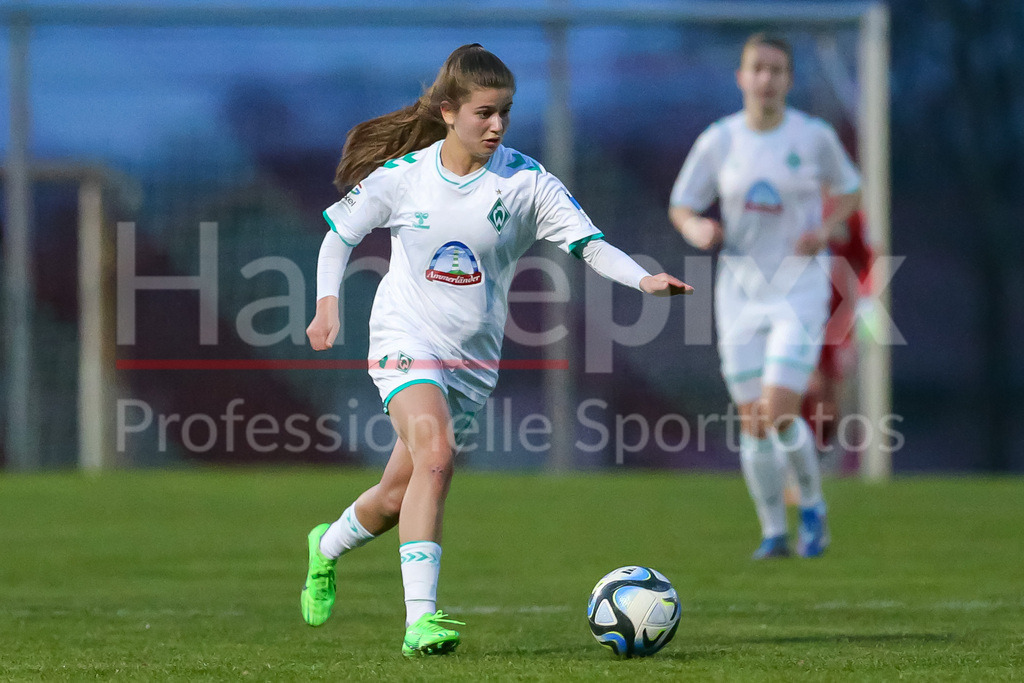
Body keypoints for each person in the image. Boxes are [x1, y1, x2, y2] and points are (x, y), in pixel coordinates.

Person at [303, 43, 692, 657]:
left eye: (505, 112)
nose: (497, 125)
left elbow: (590, 245)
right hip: (403, 339)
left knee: (396, 495)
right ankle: (419, 623)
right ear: (450, 110)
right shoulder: (404, 177)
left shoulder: (526, 182)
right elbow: (336, 238)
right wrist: (327, 305)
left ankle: (324, 548)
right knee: (437, 455)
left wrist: (642, 278)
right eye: (485, 112)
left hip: (472, 364)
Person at [668, 33, 861, 559]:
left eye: (777, 70)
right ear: (741, 77)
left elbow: (850, 189)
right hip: (739, 293)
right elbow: (682, 205)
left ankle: (813, 505)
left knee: (777, 411)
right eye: (757, 68)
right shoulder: (720, 141)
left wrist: (826, 229)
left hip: (799, 289)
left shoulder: (813, 137)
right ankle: (775, 532)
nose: (767, 79)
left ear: (789, 80)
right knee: (753, 421)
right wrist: (697, 231)